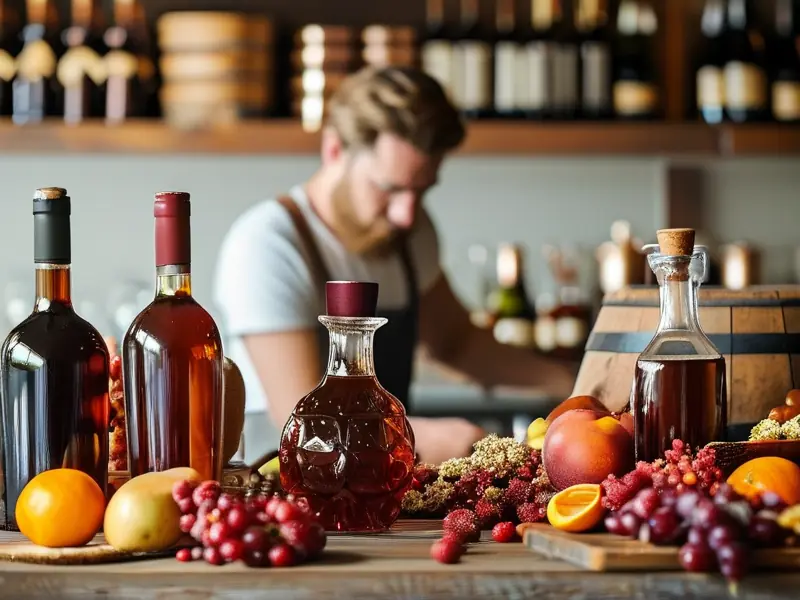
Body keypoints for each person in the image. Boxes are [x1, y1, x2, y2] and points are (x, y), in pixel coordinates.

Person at [213, 66, 576, 465]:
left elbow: (457, 343)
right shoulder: (270, 242)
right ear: (334, 150)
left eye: (421, 191)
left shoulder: (409, 235)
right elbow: (302, 423)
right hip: (286, 489)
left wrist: (574, 383)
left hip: (381, 486)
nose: (406, 213)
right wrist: (442, 439)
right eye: (389, 188)